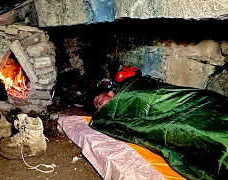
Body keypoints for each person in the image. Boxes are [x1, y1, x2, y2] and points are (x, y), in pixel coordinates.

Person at [90, 68, 228, 180]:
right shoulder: (115, 114)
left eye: (99, 103)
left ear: (110, 93)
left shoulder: (130, 88)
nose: (99, 109)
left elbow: (152, 94)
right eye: (97, 108)